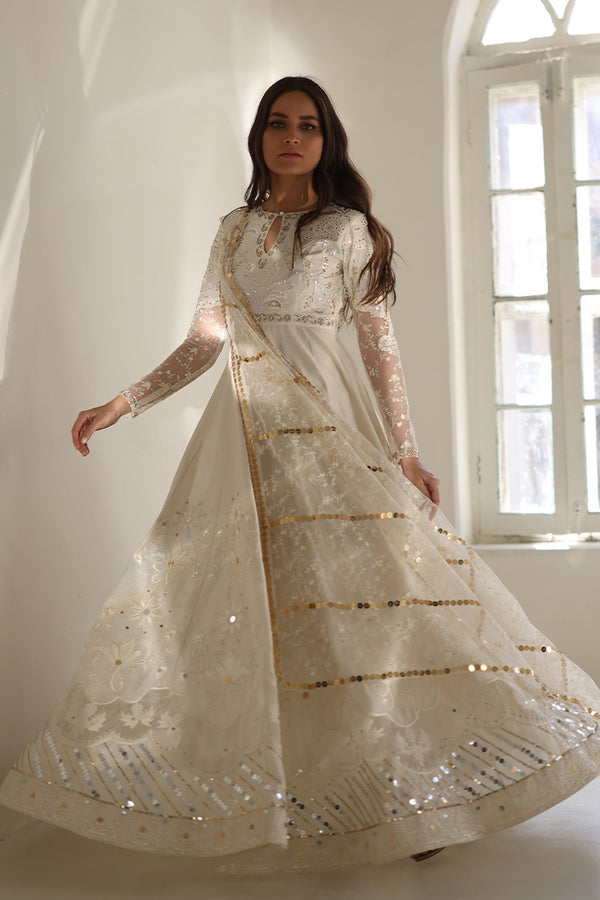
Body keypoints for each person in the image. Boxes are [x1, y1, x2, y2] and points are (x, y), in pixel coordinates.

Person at [1, 76, 599, 873]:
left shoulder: (350, 231)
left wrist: (406, 452)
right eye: (278, 123)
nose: (292, 137)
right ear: (260, 137)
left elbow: (378, 347)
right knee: (278, 623)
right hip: (245, 448)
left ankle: (420, 795)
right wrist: (124, 402)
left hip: (329, 434)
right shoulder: (233, 231)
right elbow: (206, 341)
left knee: (374, 614)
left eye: (308, 125)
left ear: (326, 140)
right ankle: (297, 798)